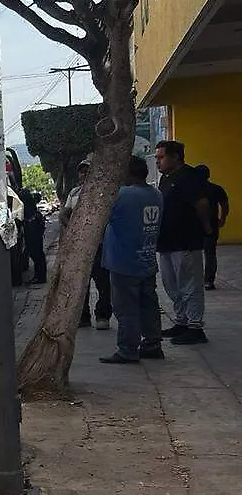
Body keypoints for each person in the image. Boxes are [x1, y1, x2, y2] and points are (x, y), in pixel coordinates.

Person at [100, 156, 165, 364]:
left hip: (123, 261)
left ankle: (128, 349)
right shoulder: (155, 193)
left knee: (126, 308)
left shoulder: (122, 195)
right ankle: (153, 344)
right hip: (146, 259)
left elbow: (100, 217)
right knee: (149, 304)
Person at [155, 140, 212, 345]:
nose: (158, 162)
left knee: (190, 285)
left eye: (161, 157)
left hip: (186, 240)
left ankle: (195, 327)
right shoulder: (165, 179)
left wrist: (206, 228)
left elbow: (202, 203)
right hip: (166, 242)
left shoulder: (189, 176)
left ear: (175, 157)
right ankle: (182, 321)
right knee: (172, 285)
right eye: (156, 158)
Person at [61, 158, 113, 328]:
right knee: (80, 283)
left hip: (100, 245)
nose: (83, 174)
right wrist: (74, 230)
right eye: (81, 171)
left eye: (87, 171)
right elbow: (64, 214)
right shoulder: (74, 193)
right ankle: (82, 317)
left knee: (103, 283)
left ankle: (102, 316)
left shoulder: (104, 192)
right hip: (79, 247)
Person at [197, 164, 230, 290]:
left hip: (195, 225)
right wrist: (222, 218)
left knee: (193, 254)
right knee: (210, 253)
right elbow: (224, 204)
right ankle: (209, 281)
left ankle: (196, 280)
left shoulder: (194, 189)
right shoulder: (216, 188)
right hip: (212, 224)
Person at [23, 189, 48, 284]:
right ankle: (39, 276)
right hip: (35, 234)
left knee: (37, 255)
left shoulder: (30, 209)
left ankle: (40, 277)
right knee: (38, 255)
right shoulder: (34, 210)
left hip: (33, 233)